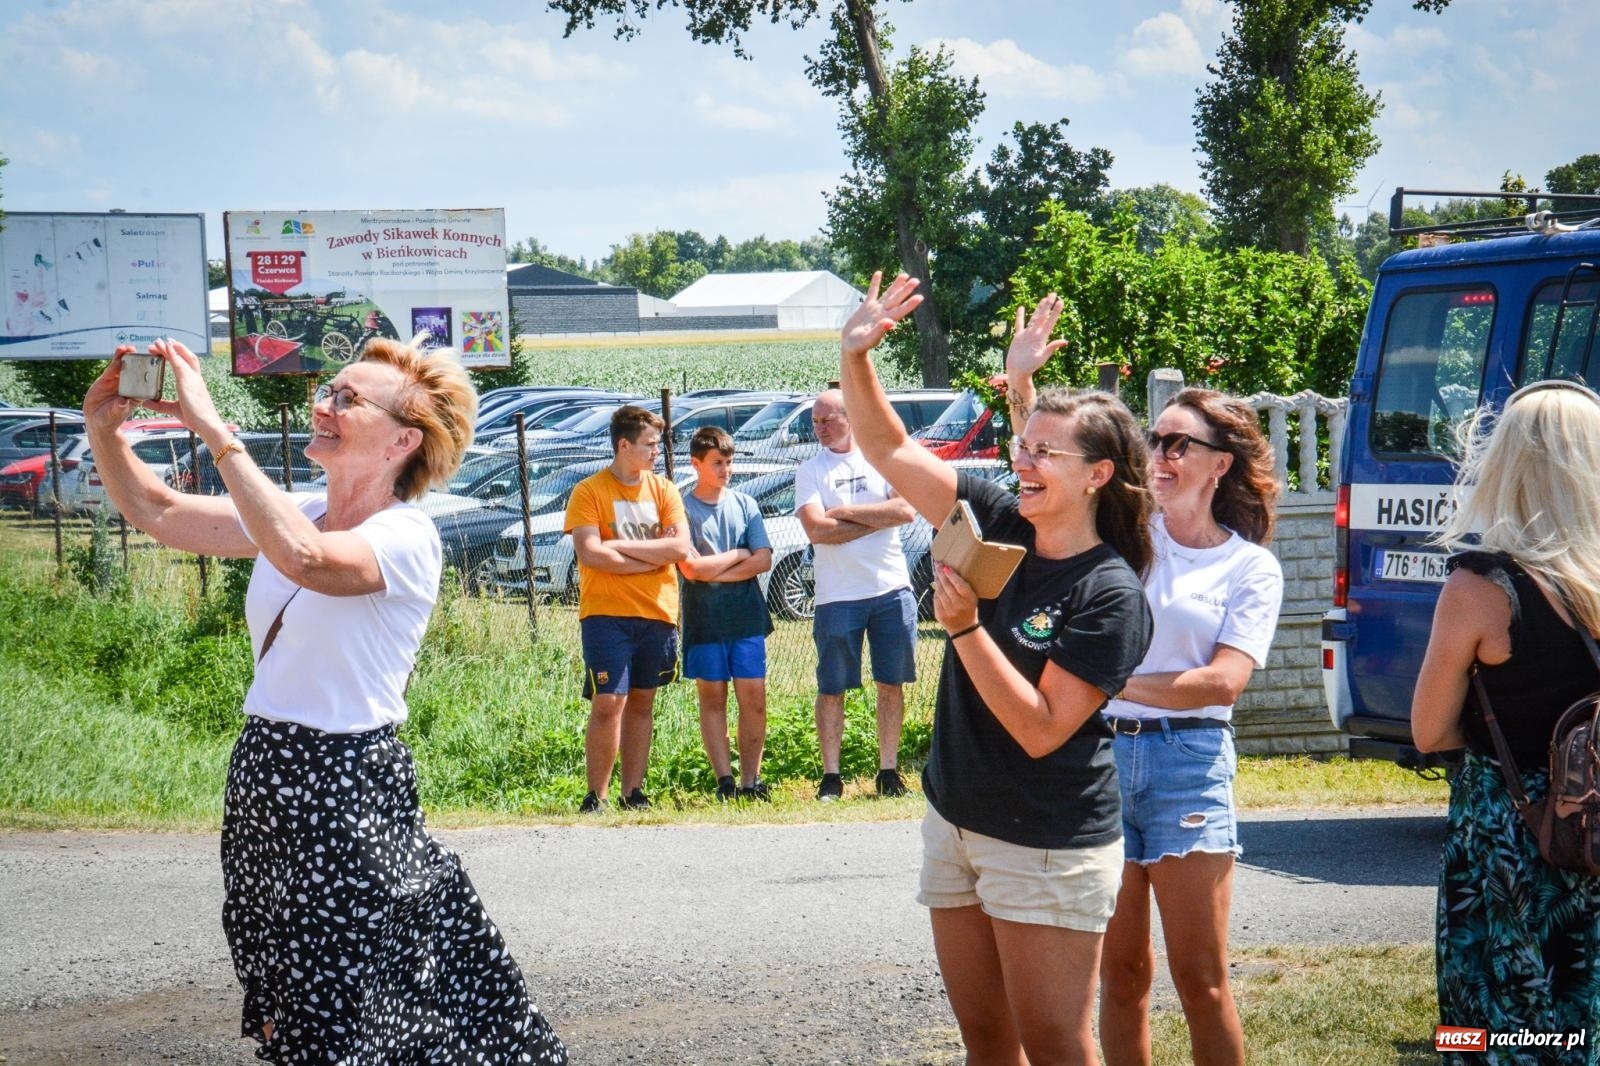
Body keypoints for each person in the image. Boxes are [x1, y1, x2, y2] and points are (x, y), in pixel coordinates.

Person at [81, 336, 565, 1064]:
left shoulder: (407, 535)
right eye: (328, 391)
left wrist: (215, 429)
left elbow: (306, 559)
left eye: (348, 399)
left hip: (347, 782)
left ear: (404, 439)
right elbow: (160, 511)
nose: (324, 405)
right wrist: (101, 427)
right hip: (266, 769)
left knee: (346, 1003)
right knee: (282, 993)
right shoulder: (301, 507)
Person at [840, 273, 1154, 1063]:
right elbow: (888, 446)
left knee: (1052, 1042)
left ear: (1098, 475)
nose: (1024, 461)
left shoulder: (1109, 592)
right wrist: (856, 357)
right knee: (985, 1041)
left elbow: (1042, 729)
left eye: (1046, 452)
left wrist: (966, 628)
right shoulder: (998, 513)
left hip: (1045, 841)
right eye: (1023, 446)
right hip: (958, 818)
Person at [1008, 313, 1282, 1066]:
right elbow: (1051, 463)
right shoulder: (1130, 530)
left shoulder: (1250, 567)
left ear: (1218, 463)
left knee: (1204, 979)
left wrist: (1106, 677)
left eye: (1175, 443)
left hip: (1188, 763)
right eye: (1153, 441)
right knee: (1121, 976)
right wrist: (1023, 379)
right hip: (1100, 758)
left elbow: (1223, 681)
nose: (1157, 454)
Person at [1412, 379, 1600, 1063]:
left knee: (1490, 1025)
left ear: (1506, 464)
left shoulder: (1481, 588)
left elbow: (1429, 731)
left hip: (1509, 843)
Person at [794, 386, 919, 801]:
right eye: (815, 421)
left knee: (891, 681)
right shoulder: (810, 471)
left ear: (851, 418)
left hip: (889, 588)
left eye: (828, 420)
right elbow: (816, 531)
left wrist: (844, 513)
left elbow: (905, 510)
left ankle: (888, 771)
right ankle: (831, 776)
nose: (820, 429)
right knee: (832, 687)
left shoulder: (879, 458)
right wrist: (876, 518)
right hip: (836, 596)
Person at [565, 404, 690, 812]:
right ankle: (596, 796)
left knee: (642, 701)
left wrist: (617, 545)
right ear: (624, 445)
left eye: (658, 444)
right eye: (650, 444)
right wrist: (651, 559)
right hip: (606, 615)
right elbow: (590, 554)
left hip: (656, 612)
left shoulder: (665, 490)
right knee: (609, 701)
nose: (657, 451)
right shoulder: (589, 491)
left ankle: (633, 792)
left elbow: (678, 547)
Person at [677, 426, 774, 801]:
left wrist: (715, 569)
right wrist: (737, 555)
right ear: (696, 463)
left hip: (746, 617)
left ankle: (751, 781)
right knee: (712, 699)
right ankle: (725, 782)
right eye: (717, 463)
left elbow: (763, 559)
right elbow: (691, 570)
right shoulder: (683, 509)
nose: (725, 470)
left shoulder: (746, 504)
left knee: (754, 698)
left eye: (729, 462)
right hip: (703, 619)